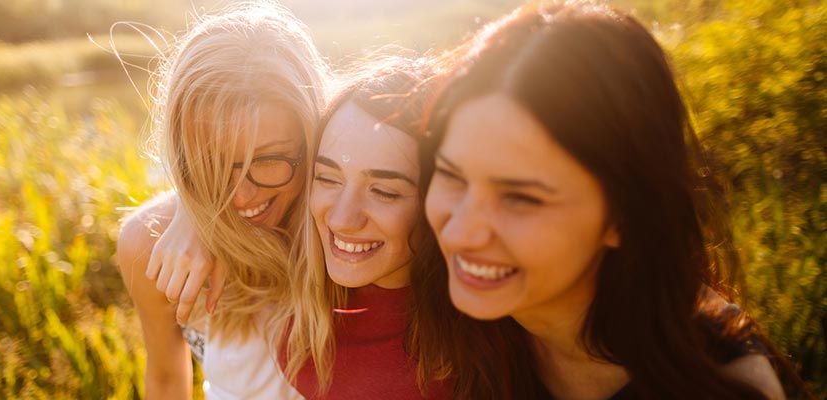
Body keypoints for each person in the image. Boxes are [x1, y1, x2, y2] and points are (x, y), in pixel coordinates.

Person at [421, 2, 792, 399]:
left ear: (625, 214)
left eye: (519, 198)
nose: (461, 231)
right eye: (452, 176)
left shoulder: (722, 387)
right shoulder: (464, 313)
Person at [116, 2, 327, 398]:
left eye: (268, 159)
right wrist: (196, 211)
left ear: (310, 135)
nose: (242, 195)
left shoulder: (344, 229)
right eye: (211, 163)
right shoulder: (150, 245)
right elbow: (165, 379)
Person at [279, 59, 455, 399]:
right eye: (328, 179)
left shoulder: (482, 348)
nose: (343, 220)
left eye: (384, 192)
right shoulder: (296, 295)